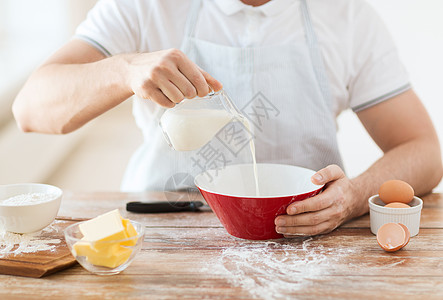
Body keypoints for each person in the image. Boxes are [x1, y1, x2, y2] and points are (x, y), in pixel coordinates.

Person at [13, 0, 442, 236]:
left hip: (305, 238)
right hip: (159, 232)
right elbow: (31, 108)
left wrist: (351, 198)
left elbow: (424, 151)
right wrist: (124, 70)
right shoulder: (145, 6)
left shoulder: (347, 18)